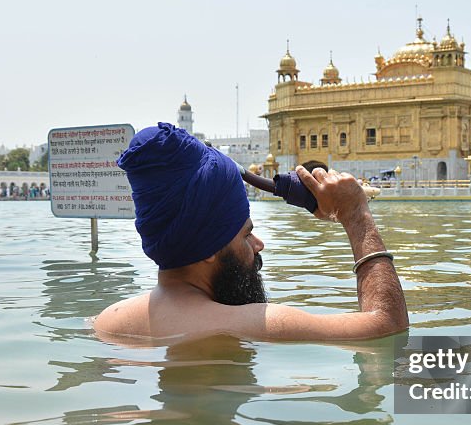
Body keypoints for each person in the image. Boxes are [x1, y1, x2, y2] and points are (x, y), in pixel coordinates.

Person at [93, 122, 408, 342]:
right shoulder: (253, 325)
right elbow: (389, 327)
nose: (259, 244)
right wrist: (356, 216)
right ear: (209, 247)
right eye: (245, 234)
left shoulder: (108, 323)